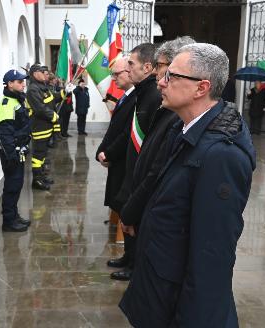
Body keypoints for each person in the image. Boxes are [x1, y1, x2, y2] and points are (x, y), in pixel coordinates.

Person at [120, 43, 256, 327]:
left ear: (201, 88)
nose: (160, 81)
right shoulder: (182, 127)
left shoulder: (222, 156)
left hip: (177, 303)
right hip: (159, 287)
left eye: (171, 76)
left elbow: (212, 256)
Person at [119, 36, 195, 281]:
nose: (159, 81)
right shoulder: (170, 112)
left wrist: (133, 209)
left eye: (164, 70)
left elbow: (157, 170)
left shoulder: (176, 117)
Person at [109, 43, 161, 281]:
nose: (127, 68)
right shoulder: (142, 93)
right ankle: (128, 257)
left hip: (141, 176)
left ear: (147, 67)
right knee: (127, 215)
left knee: (135, 220)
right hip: (131, 172)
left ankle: (134, 265)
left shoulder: (152, 96)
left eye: (131, 63)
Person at [95, 56, 136, 279]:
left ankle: (132, 262)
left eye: (117, 74)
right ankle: (127, 257)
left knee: (127, 211)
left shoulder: (136, 99)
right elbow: (114, 129)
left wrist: (108, 153)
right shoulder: (124, 97)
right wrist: (102, 151)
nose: (114, 79)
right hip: (118, 163)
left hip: (125, 163)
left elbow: (126, 134)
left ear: (130, 73)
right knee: (121, 208)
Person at [0, 69, 32, 232]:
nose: (23, 84)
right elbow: (4, 134)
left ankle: (14, 216)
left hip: (18, 151)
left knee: (17, 186)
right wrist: (12, 156)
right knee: (11, 187)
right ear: (10, 84)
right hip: (11, 153)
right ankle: (8, 222)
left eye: (23, 81)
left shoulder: (16, 100)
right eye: (19, 81)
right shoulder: (6, 104)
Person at [27, 63, 71, 190]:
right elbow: (39, 109)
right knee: (38, 156)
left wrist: (65, 92)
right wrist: (53, 116)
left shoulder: (43, 87)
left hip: (47, 128)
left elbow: (54, 98)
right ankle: (37, 180)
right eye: (43, 72)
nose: (46, 74)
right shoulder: (32, 89)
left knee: (43, 155)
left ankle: (41, 176)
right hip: (39, 128)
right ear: (35, 74)